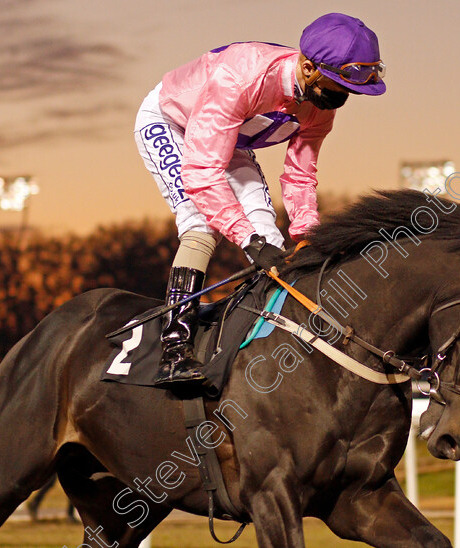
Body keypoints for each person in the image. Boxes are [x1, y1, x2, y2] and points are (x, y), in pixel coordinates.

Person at [134, 12, 386, 386]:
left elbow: (300, 175)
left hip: (226, 136)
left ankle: (262, 339)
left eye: (347, 90)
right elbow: (202, 173)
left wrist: (310, 236)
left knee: (271, 239)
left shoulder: (320, 105)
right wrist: (246, 241)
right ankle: (173, 347)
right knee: (201, 224)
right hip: (171, 122)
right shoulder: (241, 76)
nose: (339, 98)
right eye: (335, 85)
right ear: (307, 66)